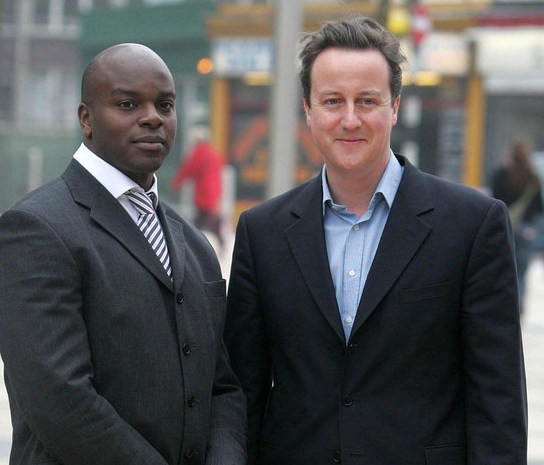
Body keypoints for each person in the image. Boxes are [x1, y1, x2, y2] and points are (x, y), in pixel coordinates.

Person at [224, 16, 527, 465]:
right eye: (332, 101)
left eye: (367, 100)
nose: (350, 119)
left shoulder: (472, 225)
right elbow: (241, 396)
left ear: (395, 107)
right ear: (308, 110)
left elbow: (497, 402)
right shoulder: (261, 233)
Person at [0, 43, 246, 465]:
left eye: (165, 104)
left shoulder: (195, 244)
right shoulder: (34, 230)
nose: (152, 117)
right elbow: (60, 400)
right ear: (86, 119)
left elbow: (222, 387)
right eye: (128, 103)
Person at [491, 140, 543, 313]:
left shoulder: (500, 174)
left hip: (504, 228)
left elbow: (493, 201)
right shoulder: (533, 177)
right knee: (521, 271)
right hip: (526, 231)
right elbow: (537, 208)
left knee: (503, 269)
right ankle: (519, 301)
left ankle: (507, 303)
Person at [171, 125, 224, 246]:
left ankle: (193, 243)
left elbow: (189, 168)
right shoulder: (213, 152)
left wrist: (177, 183)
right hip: (213, 190)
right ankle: (216, 241)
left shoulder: (199, 152)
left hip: (203, 191)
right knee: (206, 218)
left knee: (202, 220)